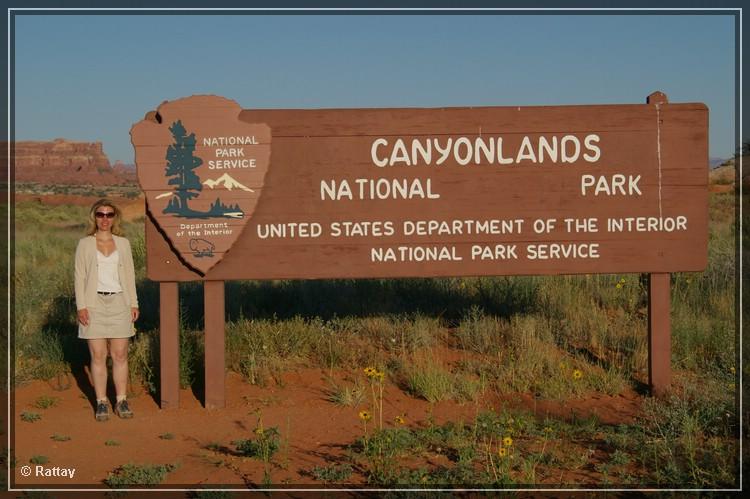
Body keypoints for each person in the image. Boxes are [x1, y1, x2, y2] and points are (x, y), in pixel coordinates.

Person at [74, 199, 139, 421]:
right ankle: (101, 402)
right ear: (94, 217)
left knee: (120, 354)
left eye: (109, 214)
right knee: (98, 355)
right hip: (94, 304)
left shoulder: (123, 243)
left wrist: (133, 303)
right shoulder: (84, 244)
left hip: (120, 302)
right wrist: (81, 306)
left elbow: (129, 275)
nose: (104, 219)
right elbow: (79, 276)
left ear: (115, 218)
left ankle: (121, 400)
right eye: (100, 214)